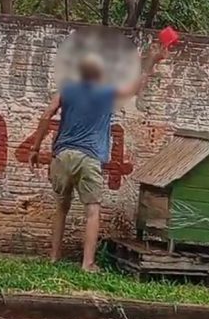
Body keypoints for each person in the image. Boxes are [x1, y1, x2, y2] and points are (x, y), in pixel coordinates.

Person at [28, 44, 168, 272]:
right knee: (92, 211)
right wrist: (150, 62)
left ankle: (53, 257)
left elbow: (47, 114)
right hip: (90, 158)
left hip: (63, 155)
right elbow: (135, 87)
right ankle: (88, 263)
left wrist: (35, 147)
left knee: (61, 208)